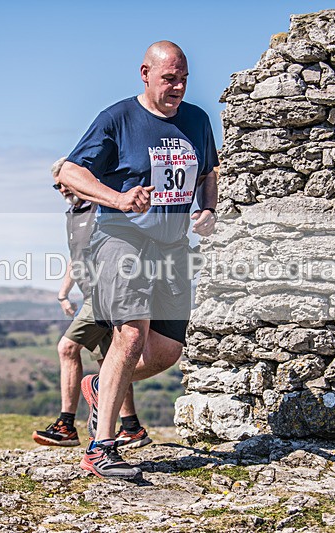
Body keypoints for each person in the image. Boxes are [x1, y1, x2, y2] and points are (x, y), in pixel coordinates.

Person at [58, 41, 218, 479]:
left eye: (184, 78)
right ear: (145, 73)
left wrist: (207, 209)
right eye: (170, 78)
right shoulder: (117, 118)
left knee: (166, 352)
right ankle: (102, 447)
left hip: (173, 247)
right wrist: (118, 197)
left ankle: (98, 386)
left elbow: (207, 174)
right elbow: (70, 171)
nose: (179, 86)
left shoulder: (197, 121)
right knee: (130, 336)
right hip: (121, 240)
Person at [31, 157, 151, 449]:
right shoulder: (72, 214)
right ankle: (132, 427)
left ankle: (66, 424)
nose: (62, 189)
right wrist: (63, 292)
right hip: (90, 295)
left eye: (66, 183)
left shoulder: (102, 207)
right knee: (109, 358)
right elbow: (77, 257)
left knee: (67, 348)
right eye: (57, 186)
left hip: (105, 293)